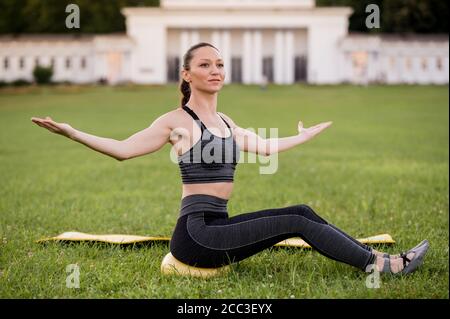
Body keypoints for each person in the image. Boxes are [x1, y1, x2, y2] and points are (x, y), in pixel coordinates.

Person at [31, 42, 429, 275]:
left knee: (301, 210)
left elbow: (265, 145)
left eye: (219, 64)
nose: (215, 70)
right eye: (205, 65)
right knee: (293, 221)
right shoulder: (175, 121)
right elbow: (122, 150)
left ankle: (377, 258)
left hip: (219, 225)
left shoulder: (226, 121)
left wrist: (301, 136)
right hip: (197, 234)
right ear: (187, 75)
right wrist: (71, 132)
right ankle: (383, 266)